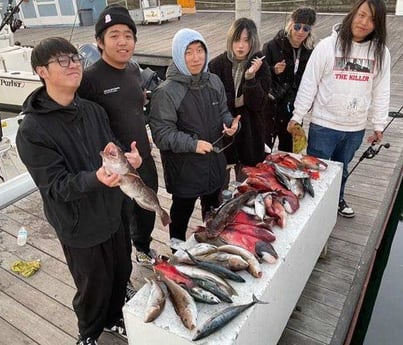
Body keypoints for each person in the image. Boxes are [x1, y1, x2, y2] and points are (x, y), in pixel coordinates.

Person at [15, 37, 143, 345]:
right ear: (40, 71)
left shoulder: (92, 110)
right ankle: (88, 334)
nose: (73, 64)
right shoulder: (31, 130)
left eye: (75, 58)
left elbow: (111, 147)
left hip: (112, 212)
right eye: (62, 60)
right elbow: (56, 186)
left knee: (121, 269)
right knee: (92, 286)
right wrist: (96, 178)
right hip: (78, 224)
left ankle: (115, 318)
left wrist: (128, 157)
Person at [287, 0, 390, 218]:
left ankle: (338, 199)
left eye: (372, 19)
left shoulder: (381, 53)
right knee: (316, 172)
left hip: (355, 127)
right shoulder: (326, 46)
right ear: (353, 13)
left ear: (378, 24)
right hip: (324, 125)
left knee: (342, 169)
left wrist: (379, 124)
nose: (364, 23)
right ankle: (313, 209)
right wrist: (298, 115)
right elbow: (309, 84)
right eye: (361, 15)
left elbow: (382, 90)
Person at [78, 4, 158, 265]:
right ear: (99, 41)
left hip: (143, 158)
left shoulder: (134, 70)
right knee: (119, 221)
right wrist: (120, 157)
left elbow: (134, 110)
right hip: (115, 168)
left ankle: (143, 249)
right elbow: (87, 127)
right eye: (114, 35)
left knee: (148, 208)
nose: (122, 41)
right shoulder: (89, 80)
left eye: (128, 34)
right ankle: (122, 274)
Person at [149, 28, 240, 243]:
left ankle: (211, 244)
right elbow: (161, 134)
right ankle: (176, 251)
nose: (196, 57)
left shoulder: (214, 81)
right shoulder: (166, 92)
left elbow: (223, 112)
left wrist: (230, 124)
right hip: (185, 171)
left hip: (214, 165)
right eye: (188, 52)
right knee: (181, 214)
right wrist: (193, 144)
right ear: (178, 54)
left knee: (213, 213)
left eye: (200, 50)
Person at [209, 17, 271, 185]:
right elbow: (214, 99)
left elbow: (258, 103)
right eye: (237, 40)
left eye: (246, 40)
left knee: (248, 186)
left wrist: (250, 78)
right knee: (219, 186)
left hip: (250, 134)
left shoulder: (261, 65)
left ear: (253, 41)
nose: (241, 45)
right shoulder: (216, 65)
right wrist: (236, 102)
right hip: (223, 132)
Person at [262, 7, 316, 152]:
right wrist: (273, 69)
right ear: (290, 24)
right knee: (264, 152)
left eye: (306, 28)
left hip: (293, 110)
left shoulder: (311, 52)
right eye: (297, 26)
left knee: (289, 154)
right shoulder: (271, 46)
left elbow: (313, 81)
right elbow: (259, 74)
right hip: (271, 109)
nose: (300, 32)